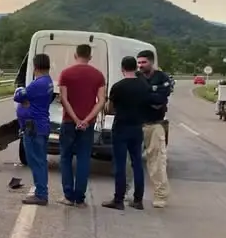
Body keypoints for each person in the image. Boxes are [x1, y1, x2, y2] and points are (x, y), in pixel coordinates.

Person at [56, 44, 106, 207]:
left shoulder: (66, 74)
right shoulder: (98, 75)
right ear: (90, 57)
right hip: (88, 125)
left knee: (65, 158)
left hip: (69, 122)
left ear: (75, 55)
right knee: (84, 159)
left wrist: (76, 119)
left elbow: (64, 99)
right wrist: (86, 120)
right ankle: (80, 197)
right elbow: (101, 101)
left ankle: (68, 196)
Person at [102, 56, 149, 210]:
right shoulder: (144, 85)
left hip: (121, 127)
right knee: (137, 164)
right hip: (137, 127)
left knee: (121, 164)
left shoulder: (118, 87)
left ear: (122, 69)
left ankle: (119, 199)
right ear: (135, 68)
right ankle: (138, 199)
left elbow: (109, 109)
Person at [14, 53, 54, 206]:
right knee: (40, 161)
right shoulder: (48, 82)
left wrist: (22, 95)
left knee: (35, 161)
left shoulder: (38, 84)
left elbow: (18, 95)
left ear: (35, 67)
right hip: (41, 125)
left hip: (33, 127)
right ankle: (41, 192)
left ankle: (41, 194)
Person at [136, 49, 172, 208]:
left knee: (157, 162)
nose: (140, 65)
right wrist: (150, 92)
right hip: (136, 123)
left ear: (151, 62)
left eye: (143, 62)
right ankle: (131, 195)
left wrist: (144, 95)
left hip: (155, 124)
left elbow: (159, 101)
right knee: (132, 162)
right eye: (138, 63)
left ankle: (160, 195)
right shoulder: (136, 77)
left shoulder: (162, 77)